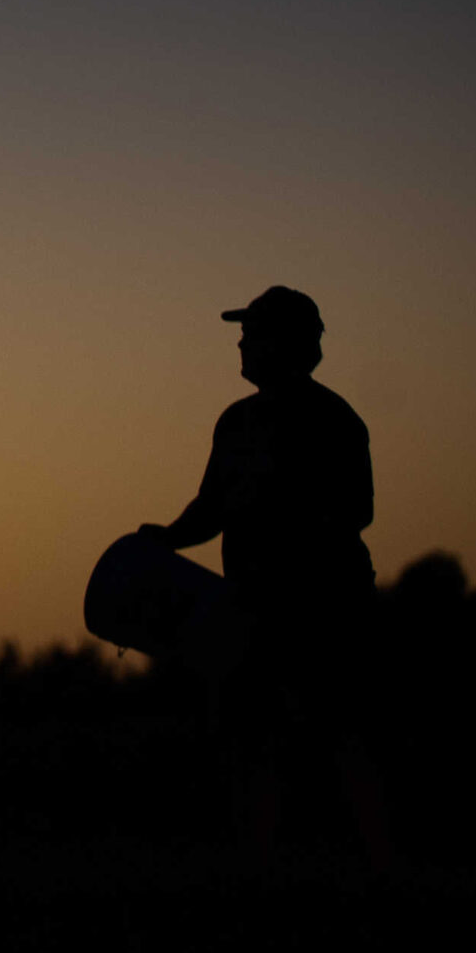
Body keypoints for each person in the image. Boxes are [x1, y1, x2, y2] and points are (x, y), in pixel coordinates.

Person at [138, 286, 395, 869]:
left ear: (288, 344)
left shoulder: (334, 420)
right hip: (253, 607)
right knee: (253, 738)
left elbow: (358, 509)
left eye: (253, 334)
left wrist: (285, 525)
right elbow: (211, 507)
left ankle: (378, 863)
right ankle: (262, 867)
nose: (242, 344)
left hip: (328, 608)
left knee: (344, 734)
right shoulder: (235, 423)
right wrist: (167, 539)